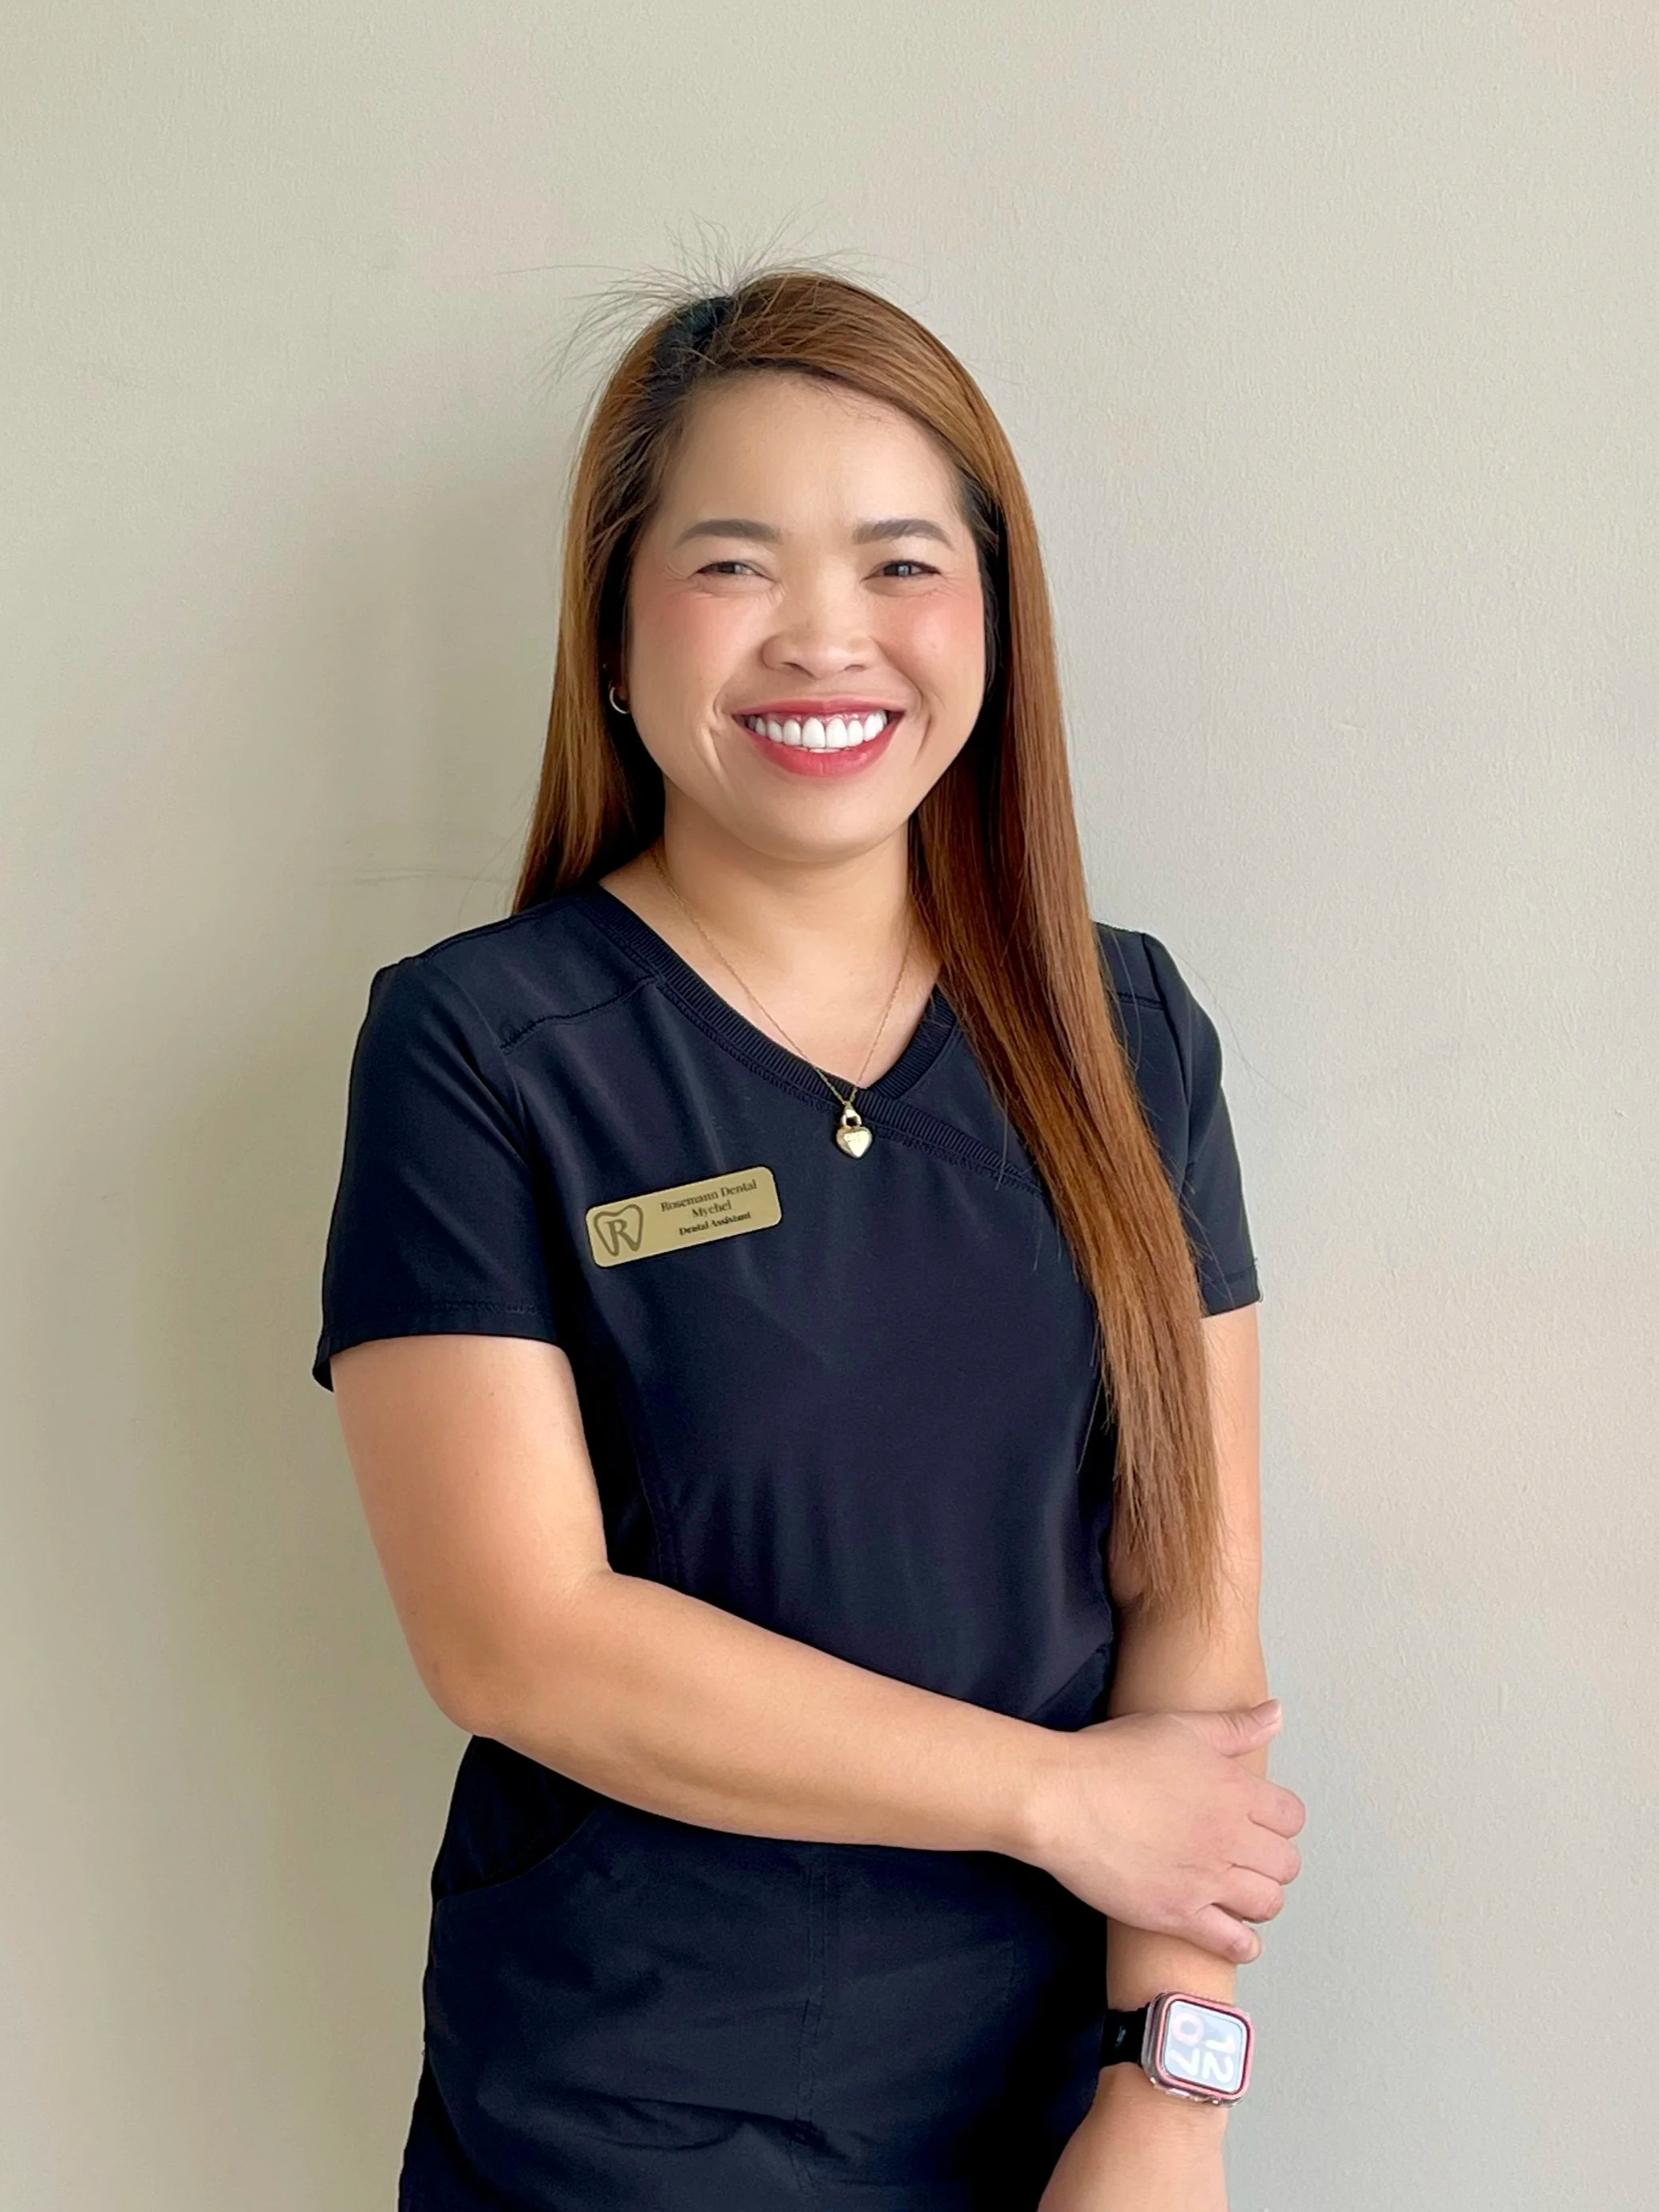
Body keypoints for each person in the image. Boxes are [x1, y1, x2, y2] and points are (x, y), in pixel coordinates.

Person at [311, 268, 1305, 2212]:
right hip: (622, 2125)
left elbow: (1194, 1584)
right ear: (614, 634)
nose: (825, 636)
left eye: (899, 562)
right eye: (734, 565)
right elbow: (517, 1638)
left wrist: (1167, 2093)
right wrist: (1052, 1794)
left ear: (992, 621)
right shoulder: (479, 1045)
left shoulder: (1126, 1034)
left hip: (1054, 2107)